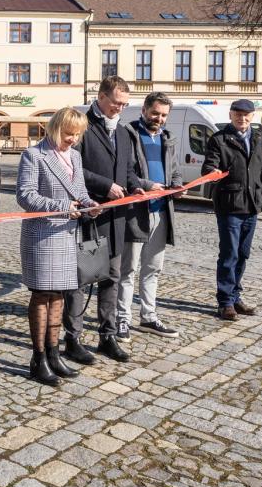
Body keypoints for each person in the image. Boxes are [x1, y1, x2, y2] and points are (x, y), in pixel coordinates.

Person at [63, 76, 146, 363]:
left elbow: (128, 169)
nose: (119, 108)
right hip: (90, 216)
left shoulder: (123, 133)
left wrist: (136, 186)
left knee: (112, 277)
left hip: (117, 219)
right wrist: (104, 185)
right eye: (115, 103)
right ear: (100, 97)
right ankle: (72, 338)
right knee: (81, 280)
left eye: (124, 104)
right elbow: (72, 169)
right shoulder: (81, 127)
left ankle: (107, 336)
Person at [17, 108, 101, 386]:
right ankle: (37, 359)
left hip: (66, 236)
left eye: (77, 135)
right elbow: (26, 196)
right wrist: (62, 207)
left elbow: (80, 194)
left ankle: (54, 354)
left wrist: (90, 206)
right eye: (68, 134)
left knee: (59, 297)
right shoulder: (34, 155)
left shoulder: (75, 156)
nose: (72, 140)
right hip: (42, 236)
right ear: (55, 128)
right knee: (43, 296)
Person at [201, 98, 262, 321]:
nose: (242, 118)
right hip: (229, 205)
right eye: (237, 114)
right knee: (229, 254)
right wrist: (212, 170)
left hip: (252, 204)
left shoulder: (259, 137)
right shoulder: (219, 139)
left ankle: (235, 296)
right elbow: (208, 165)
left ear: (253, 116)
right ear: (231, 115)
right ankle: (225, 303)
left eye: (246, 115)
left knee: (243, 254)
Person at [119, 92, 184, 339]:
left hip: (162, 211)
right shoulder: (128, 134)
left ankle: (148, 317)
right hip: (136, 213)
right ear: (144, 110)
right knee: (128, 270)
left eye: (164, 115)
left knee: (153, 269)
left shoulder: (167, 138)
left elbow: (175, 172)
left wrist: (177, 186)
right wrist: (147, 185)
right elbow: (126, 173)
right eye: (155, 113)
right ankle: (122, 319)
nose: (159, 118)